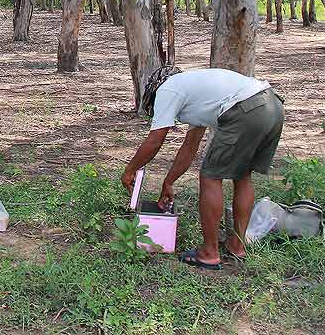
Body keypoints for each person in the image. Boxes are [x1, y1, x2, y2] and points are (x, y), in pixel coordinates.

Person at [121, 66, 284, 270]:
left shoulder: (167, 89)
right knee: (242, 175)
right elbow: (190, 147)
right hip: (272, 105)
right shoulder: (196, 91)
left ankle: (209, 253)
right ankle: (237, 246)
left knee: (210, 178)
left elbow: (155, 140)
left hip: (246, 109)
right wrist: (169, 182)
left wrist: (130, 170)